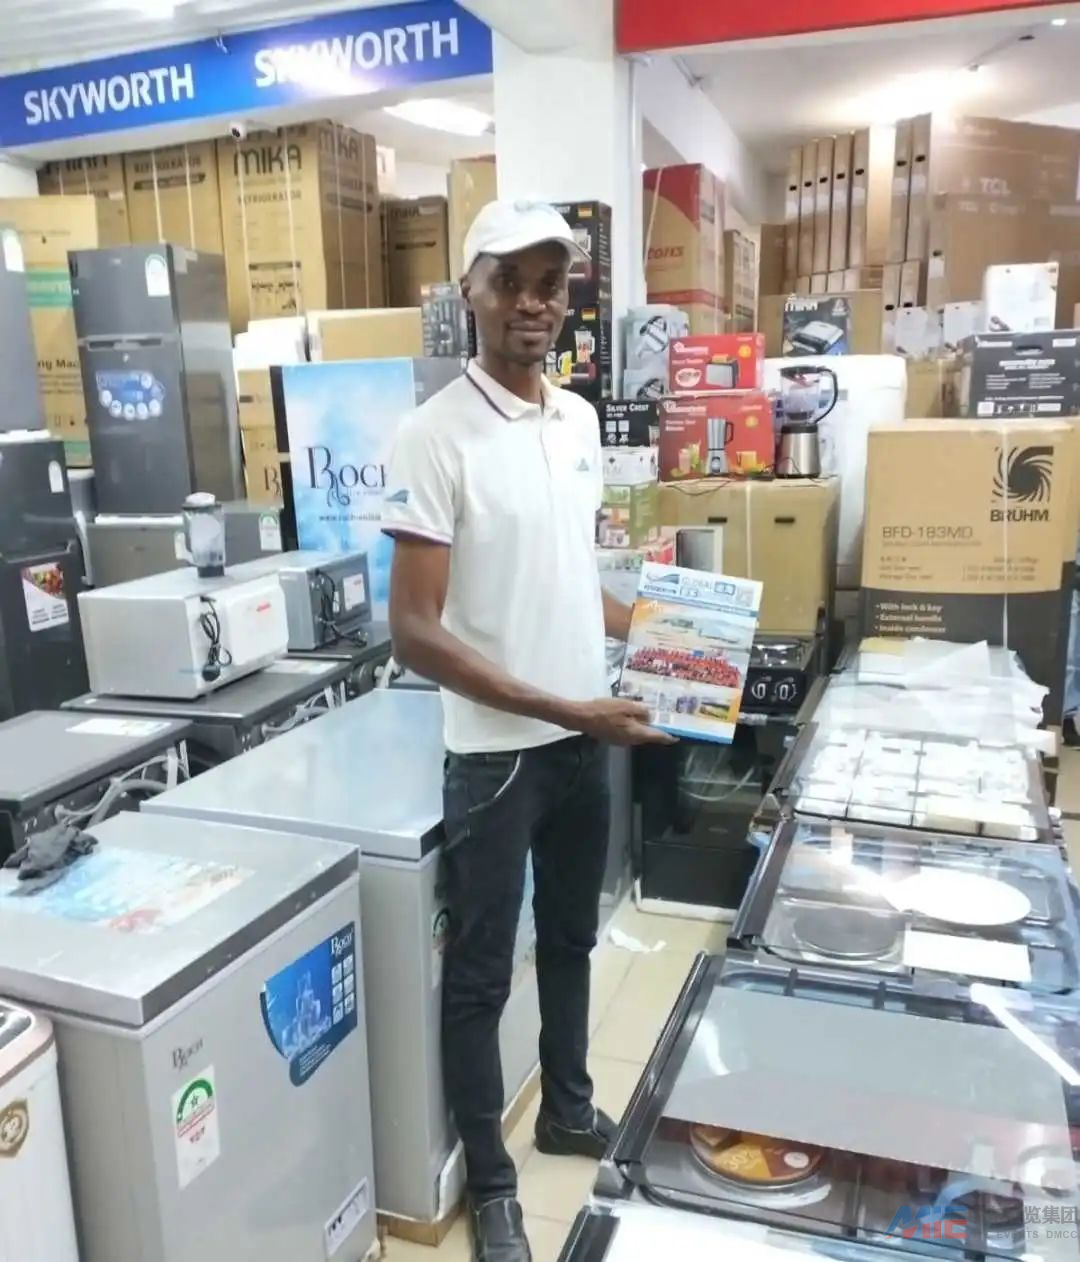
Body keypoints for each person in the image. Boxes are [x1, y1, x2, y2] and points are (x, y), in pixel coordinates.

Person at [382, 200, 673, 1262]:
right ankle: (493, 1185)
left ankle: (567, 1108)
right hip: (497, 761)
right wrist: (565, 706)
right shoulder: (432, 435)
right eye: (509, 280)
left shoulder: (579, 421)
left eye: (550, 283)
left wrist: (667, 628)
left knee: (571, 939)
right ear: (470, 290)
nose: (533, 302)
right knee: (480, 976)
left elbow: (568, 577)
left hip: (581, 744)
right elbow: (414, 631)